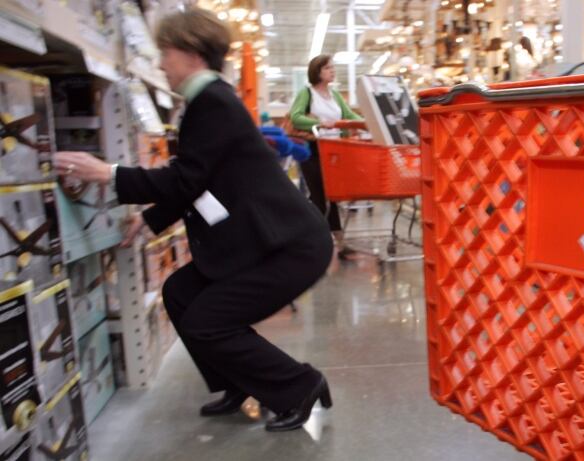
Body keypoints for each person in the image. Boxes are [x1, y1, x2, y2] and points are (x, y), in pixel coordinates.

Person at [54, 8, 333, 432]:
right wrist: (150, 221)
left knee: (207, 323)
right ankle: (237, 382)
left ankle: (300, 385)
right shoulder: (209, 102)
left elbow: (187, 177)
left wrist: (105, 174)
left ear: (193, 54)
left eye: (166, 52)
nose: (162, 63)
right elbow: (203, 180)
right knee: (181, 293)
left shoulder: (213, 103)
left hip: (289, 247)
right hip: (270, 240)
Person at [290, 55, 362, 258]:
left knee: (330, 196)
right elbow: (295, 116)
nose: (333, 71)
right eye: (328, 68)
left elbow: (348, 115)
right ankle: (329, 243)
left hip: (334, 152)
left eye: (333, 67)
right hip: (313, 150)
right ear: (317, 71)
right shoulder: (307, 93)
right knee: (320, 198)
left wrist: (369, 122)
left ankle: (320, 242)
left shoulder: (336, 95)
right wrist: (321, 123)